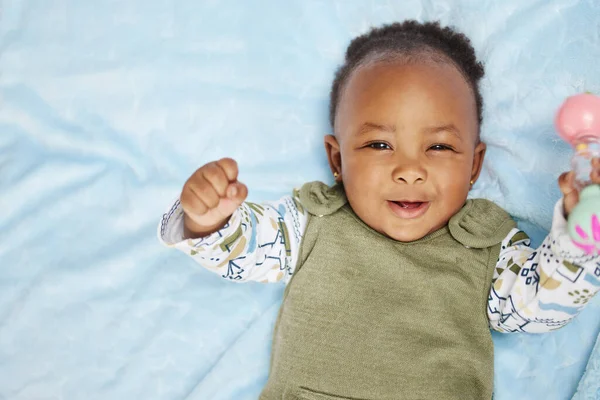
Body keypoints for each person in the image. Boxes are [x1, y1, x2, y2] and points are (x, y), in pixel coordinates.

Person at [158, 20, 600, 399]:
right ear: (337, 160)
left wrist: (575, 244)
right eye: (379, 144)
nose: (410, 170)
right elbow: (244, 251)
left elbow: (535, 309)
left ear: (474, 166)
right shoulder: (312, 221)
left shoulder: (486, 243)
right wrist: (210, 217)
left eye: (440, 146)